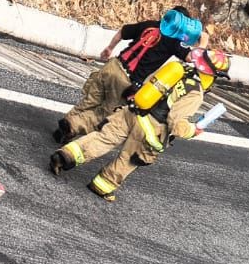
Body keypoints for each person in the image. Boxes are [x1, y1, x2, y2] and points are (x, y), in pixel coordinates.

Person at [48, 48, 230, 202]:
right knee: (128, 159)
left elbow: (149, 84)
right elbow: (176, 122)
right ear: (213, 75)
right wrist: (193, 130)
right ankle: (102, 186)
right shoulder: (195, 93)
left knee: (103, 138)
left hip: (133, 111)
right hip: (150, 129)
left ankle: (65, 156)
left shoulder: (177, 69)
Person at [53, 7, 209, 143]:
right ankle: (72, 126)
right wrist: (203, 43)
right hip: (126, 80)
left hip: (113, 66)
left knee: (90, 100)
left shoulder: (149, 25)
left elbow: (123, 31)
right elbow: (193, 58)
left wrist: (109, 48)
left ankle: (63, 128)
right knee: (105, 113)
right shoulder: (174, 41)